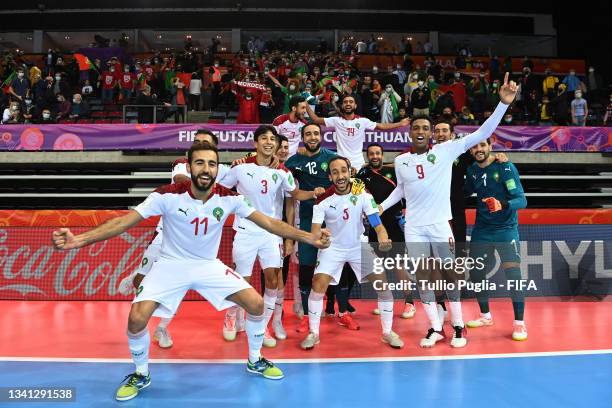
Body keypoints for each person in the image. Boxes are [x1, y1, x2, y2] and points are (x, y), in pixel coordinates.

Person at [52, 142, 331, 401]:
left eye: (211, 164)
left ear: (217, 169)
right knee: (136, 318)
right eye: (199, 163)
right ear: (189, 167)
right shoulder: (166, 196)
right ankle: (140, 373)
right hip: (170, 264)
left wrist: (308, 237)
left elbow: (271, 223)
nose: (206, 169)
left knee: (256, 303)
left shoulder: (229, 198)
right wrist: (79, 240)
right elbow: (124, 222)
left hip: (208, 265)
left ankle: (255, 358)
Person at [379, 72, 518, 348]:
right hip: (414, 227)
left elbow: (482, 133)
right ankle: (434, 327)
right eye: (416, 128)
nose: (420, 132)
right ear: (410, 132)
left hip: (440, 225)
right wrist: (380, 206)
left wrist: (503, 104)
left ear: (431, 133)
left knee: (450, 275)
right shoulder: (401, 161)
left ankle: (457, 326)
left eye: (424, 129)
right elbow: (401, 191)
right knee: (422, 278)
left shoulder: (445, 151)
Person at [117, 129, 228, 348]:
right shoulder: (182, 163)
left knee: (179, 286)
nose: (199, 144)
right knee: (143, 278)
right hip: (167, 232)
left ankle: (161, 329)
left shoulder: (221, 169)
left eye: (204, 142)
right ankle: (136, 279)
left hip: (195, 240)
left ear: (215, 148)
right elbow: (181, 180)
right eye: (196, 142)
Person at [218, 125, 325, 347]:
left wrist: (313, 193)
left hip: (272, 233)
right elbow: (221, 190)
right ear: (255, 143)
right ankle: (231, 317)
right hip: (246, 231)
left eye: (272, 139)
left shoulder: (282, 172)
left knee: (274, 280)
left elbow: (294, 194)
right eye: (263, 138)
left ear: (276, 145)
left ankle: (261, 325)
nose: (268, 142)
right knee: (241, 279)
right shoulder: (239, 167)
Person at [300, 157, 404, 350]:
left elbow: (377, 223)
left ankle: (387, 332)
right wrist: (320, 237)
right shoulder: (323, 202)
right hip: (333, 248)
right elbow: (315, 232)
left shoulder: (363, 195)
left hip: (358, 246)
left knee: (383, 285)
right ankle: (314, 333)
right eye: (335, 172)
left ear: (350, 172)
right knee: (318, 283)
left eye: (343, 171)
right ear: (330, 177)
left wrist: (383, 236)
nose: (340, 176)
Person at [464, 138, 528, 341]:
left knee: (514, 275)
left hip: (505, 229)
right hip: (482, 229)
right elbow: (462, 192)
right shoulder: (472, 170)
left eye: (482, 145)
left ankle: (520, 324)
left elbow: (521, 200)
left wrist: (502, 204)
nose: (479, 149)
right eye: (474, 146)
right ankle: (485, 316)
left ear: (490, 147)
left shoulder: (505, 167)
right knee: (476, 271)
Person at [284, 124, 338, 333]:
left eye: (316, 133)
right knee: (306, 266)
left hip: (333, 221)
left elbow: (345, 181)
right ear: (302, 137)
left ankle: (333, 309)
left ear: (321, 135)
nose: (313, 137)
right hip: (307, 220)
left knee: (334, 265)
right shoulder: (294, 161)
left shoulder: (332, 158)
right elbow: (286, 184)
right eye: (308, 134)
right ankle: (306, 315)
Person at [356, 143, 416, 319]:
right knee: (378, 267)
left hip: (394, 224)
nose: (375, 156)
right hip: (376, 225)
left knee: (398, 266)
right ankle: (385, 302)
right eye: (371, 154)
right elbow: (356, 195)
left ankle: (409, 302)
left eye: (378, 153)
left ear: (383, 155)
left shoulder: (395, 172)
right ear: (367, 157)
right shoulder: (363, 174)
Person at [306, 94, 409, 172]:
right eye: (345, 102)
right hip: (341, 162)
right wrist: (306, 105)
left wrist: (400, 123)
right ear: (342, 105)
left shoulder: (362, 121)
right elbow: (315, 119)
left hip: (358, 163)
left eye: (351, 102)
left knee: (358, 191)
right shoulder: (336, 120)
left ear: (355, 105)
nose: (348, 104)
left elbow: (381, 126)